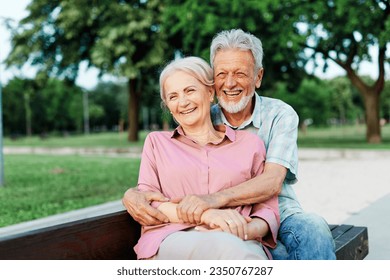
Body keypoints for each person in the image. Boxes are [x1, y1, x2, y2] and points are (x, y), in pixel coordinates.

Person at [123, 29, 336, 260]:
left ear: (258, 77)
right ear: (213, 84)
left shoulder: (278, 116)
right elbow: (151, 190)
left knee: (313, 231)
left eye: (240, 73)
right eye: (222, 74)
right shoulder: (200, 114)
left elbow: (272, 182)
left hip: (274, 214)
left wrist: (213, 204)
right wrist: (131, 194)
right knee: (269, 256)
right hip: (212, 228)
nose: (230, 83)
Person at [134, 56, 279, 260]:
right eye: (173, 96)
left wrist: (242, 230)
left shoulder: (250, 144)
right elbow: (150, 203)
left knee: (238, 252)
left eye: (190, 91)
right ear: (167, 105)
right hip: (174, 238)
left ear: (210, 92)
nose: (183, 102)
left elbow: (267, 209)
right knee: (228, 251)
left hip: (240, 239)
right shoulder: (157, 143)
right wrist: (208, 215)